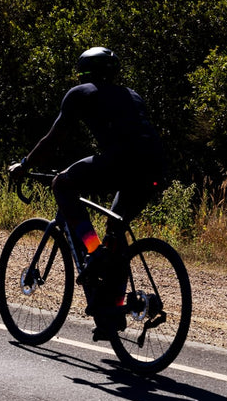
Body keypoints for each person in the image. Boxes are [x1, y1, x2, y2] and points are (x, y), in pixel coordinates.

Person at [8, 46, 165, 342]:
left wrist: (25, 164)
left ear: (83, 73)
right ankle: (112, 314)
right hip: (153, 169)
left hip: (122, 162)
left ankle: (92, 251)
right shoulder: (132, 95)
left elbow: (54, 137)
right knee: (116, 230)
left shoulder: (82, 92)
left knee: (62, 184)